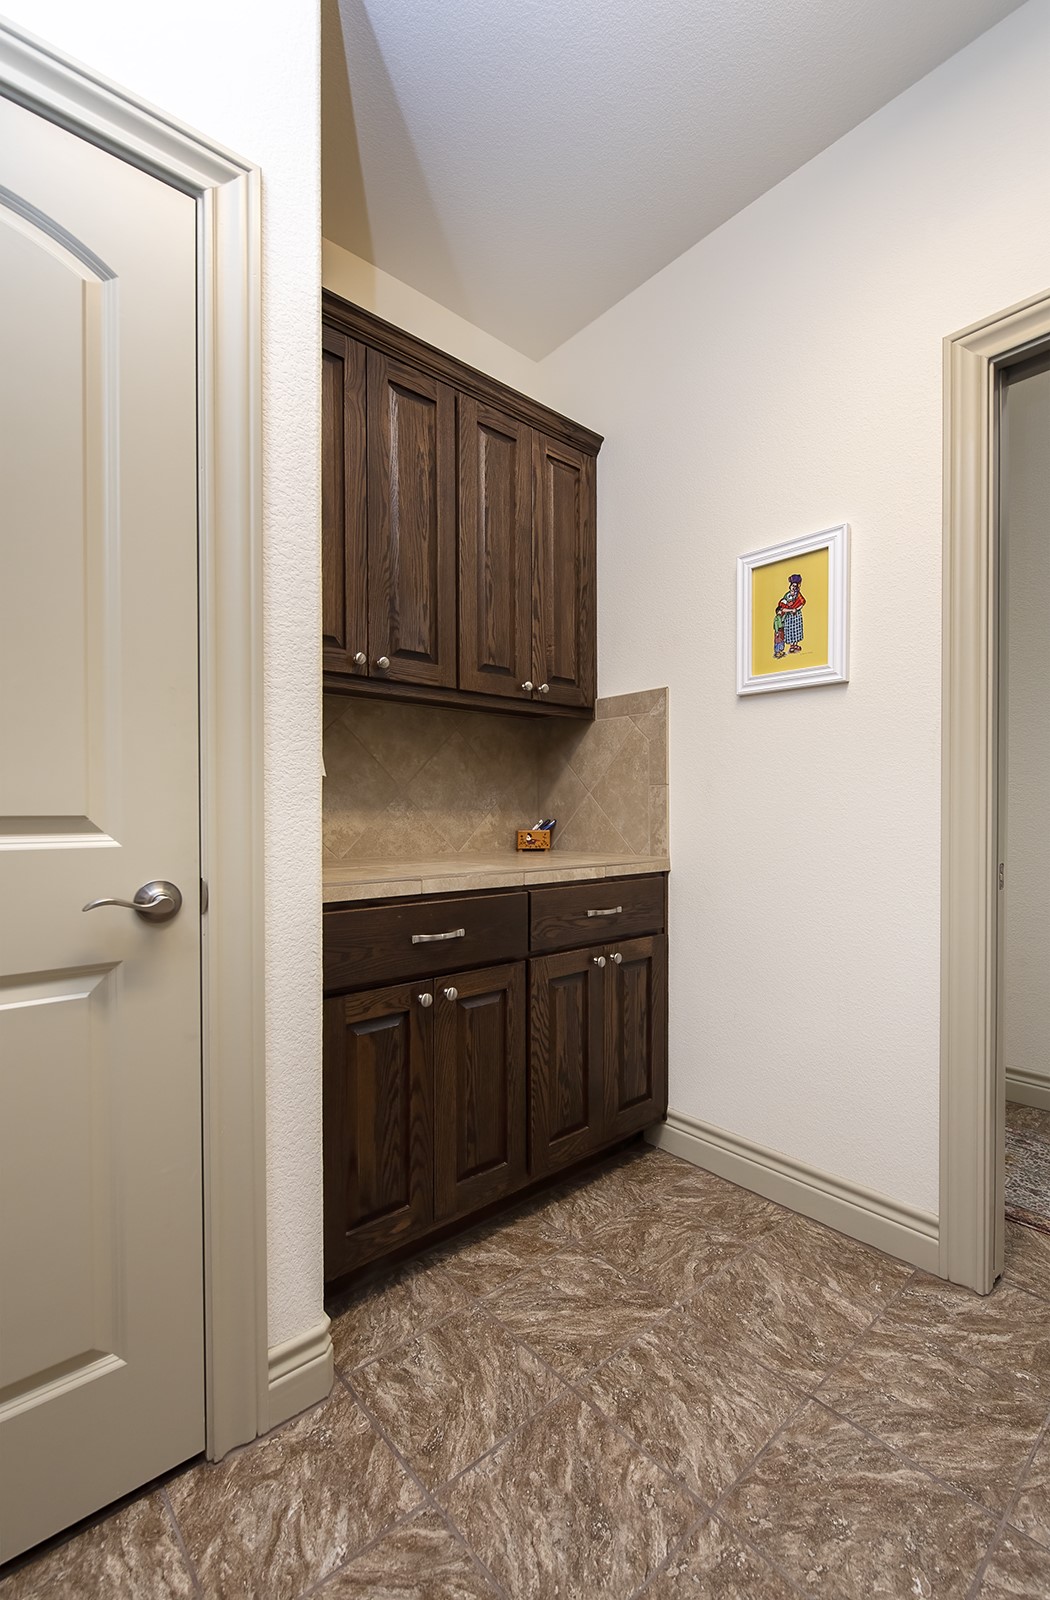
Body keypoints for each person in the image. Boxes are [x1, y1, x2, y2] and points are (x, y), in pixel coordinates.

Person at [774, 573, 805, 657]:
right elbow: (782, 607)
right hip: (789, 617)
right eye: (793, 586)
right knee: (790, 631)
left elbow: (802, 603)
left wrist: (797, 609)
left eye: (796, 587)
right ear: (790, 586)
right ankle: (791, 646)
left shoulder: (798, 595)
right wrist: (791, 610)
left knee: (797, 630)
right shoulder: (786, 596)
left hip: (797, 616)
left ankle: (795, 644)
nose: (794, 588)